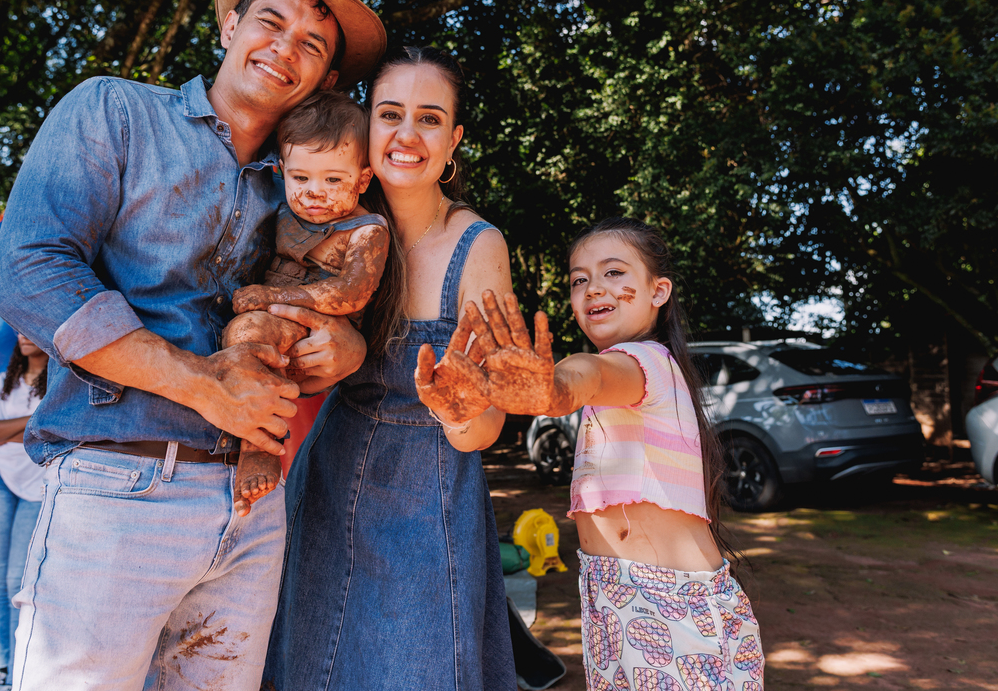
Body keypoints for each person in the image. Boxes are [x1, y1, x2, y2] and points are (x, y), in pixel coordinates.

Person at [0, 0, 386, 691]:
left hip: (253, 505)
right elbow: (29, 272)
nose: (285, 47)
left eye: (311, 42)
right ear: (230, 26)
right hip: (114, 482)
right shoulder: (115, 111)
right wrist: (204, 385)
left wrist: (347, 347)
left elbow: (345, 306)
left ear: (325, 79)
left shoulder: (314, 192)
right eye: (271, 22)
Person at [263, 47, 518, 690]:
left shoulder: (477, 245)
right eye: (390, 114)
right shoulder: (317, 219)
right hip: (327, 483)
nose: (406, 135)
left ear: (454, 140)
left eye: (429, 119)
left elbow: (484, 428)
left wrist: (462, 408)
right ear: (365, 128)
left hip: (428, 502)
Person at [447, 218, 763, 690]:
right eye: (580, 279)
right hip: (613, 611)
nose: (594, 288)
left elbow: (586, 374)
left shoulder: (648, 363)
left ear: (659, 292)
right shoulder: (617, 379)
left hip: (676, 612)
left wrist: (551, 387)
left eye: (614, 273)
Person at [224, 90, 388, 515]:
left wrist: (275, 296)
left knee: (247, 330)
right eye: (301, 179)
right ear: (282, 172)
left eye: (333, 179)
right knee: (243, 334)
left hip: (314, 336)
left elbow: (351, 291)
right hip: (271, 331)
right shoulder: (279, 215)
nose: (315, 191)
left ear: (363, 179)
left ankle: (259, 445)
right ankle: (248, 426)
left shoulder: (366, 231)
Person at [0, 335, 48, 691]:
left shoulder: (62, 384)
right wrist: (30, 421)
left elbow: (54, 436)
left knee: (20, 580)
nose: (23, 334)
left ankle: (20, 674)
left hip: (39, 487)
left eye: (30, 328)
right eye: (18, 329)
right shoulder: (5, 384)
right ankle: (2, 670)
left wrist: (9, 430)